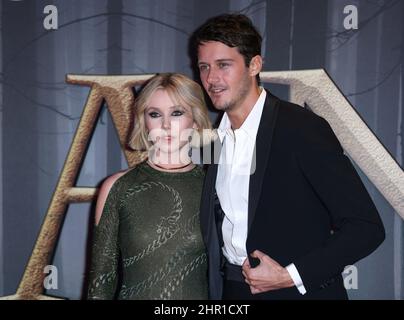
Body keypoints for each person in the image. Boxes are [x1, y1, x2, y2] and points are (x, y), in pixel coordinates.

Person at [192, 14, 385, 300]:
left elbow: (366, 227)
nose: (211, 78)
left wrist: (290, 276)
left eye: (224, 65)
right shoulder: (211, 139)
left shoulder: (300, 128)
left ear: (254, 65)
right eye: (204, 67)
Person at [86, 73, 212, 300]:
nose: (165, 124)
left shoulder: (215, 189)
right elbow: (100, 284)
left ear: (195, 120)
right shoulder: (118, 188)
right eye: (154, 114)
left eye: (177, 113)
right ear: (144, 122)